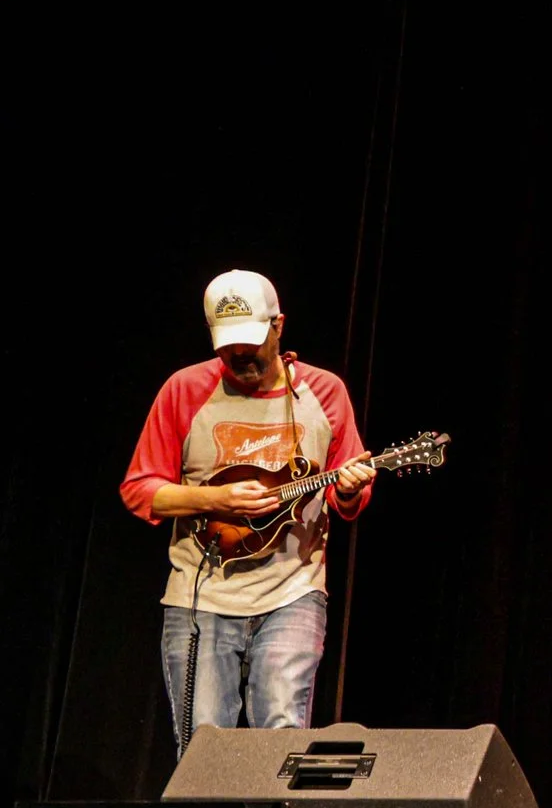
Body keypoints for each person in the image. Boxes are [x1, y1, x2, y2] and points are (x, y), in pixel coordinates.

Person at [120, 271, 375, 755]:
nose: (240, 355)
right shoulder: (185, 389)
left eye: (251, 342)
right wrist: (215, 500)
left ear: (279, 326)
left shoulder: (324, 392)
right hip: (201, 597)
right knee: (203, 753)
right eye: (227, 345)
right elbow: (140, 490)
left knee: (281, 744)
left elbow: (347, 501)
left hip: (293, 593)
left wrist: (348, 490)